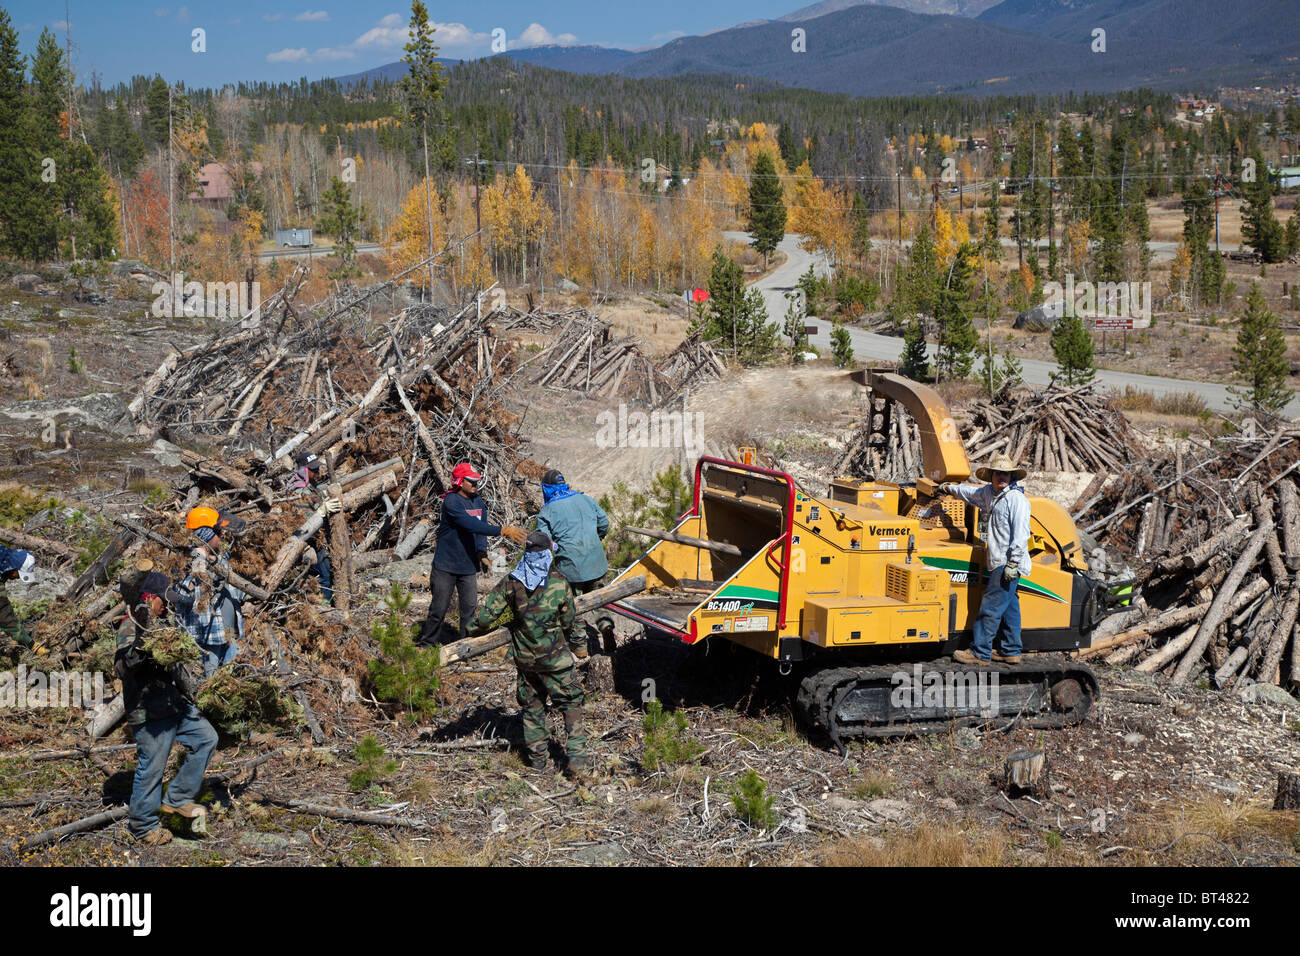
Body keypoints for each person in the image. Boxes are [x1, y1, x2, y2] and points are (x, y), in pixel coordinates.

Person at [467, 531, 590, 780]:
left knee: (533, 709)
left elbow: (485, 618)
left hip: (526, 661)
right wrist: (579, 647)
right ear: (547, 553)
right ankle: (577, 763)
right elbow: (571, 621)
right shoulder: (558, 581)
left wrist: (473, 631)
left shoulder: (512, 581)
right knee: (571, 705)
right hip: (556, 662)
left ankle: (537, 763)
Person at [115, 571, 218, 846]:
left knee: (206, 737)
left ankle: (177, 798)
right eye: (164, 600)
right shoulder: (131, 625)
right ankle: (142, 827)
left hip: (173, 704)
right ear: (150, 599)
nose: (168, 605)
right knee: (152, 768)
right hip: (147, 710)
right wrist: (140, 648)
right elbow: (120, 667)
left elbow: (178, 667)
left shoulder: (164, 625)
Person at [418, 462, 527, 645]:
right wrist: (502, 530)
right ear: (460, 482)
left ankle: (466, 645)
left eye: (477, 482)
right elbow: (470, 524)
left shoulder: (478, 501)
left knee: (469, 608)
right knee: (439, 609)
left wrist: (481, 552)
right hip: (446, 565)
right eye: (471, 482)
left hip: (467, 566)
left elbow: (479, 530)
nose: (475, 485)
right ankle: (427, 644)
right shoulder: (451, 502)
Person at [938, 453, 1032, 665]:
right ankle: (1011, 650)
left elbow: (1021, 534)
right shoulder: (990, 494)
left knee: (990, 606)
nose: (1002, 477)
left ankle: (980, 652)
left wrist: (1013, 562)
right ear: (991, 476)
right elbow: (970, 493)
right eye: (998, 473)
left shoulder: (1016, 500)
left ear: (1011, 477)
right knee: (1010, 607)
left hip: (1007, 562)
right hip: (1000, 560)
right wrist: (947, 488)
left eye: (1006, 474)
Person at [535, 469, 610, 650]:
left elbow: (543, 542)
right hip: (597, 563)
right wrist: (596, 539)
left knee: (573, 607)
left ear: (547, 489)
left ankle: (580, 646)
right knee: (601, 600)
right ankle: (606, 628)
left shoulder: (547, 512)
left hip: (571, 568)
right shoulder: (586, 499)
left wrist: (556, 550)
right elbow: (604, 523)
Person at [171, 507, 247, 679]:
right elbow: (188, 594)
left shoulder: (219, 558)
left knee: (231, 680)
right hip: (207, 637)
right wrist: (199, 557)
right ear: (205, 534)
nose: (221, 536)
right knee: (208, 683)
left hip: (228, 633)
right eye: (217, 532)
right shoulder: (189, 561)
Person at [286, 451, 341, 605]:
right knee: (324, 576)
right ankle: (326, 607)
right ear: (304, 470)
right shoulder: (298, 491)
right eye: (313, 470)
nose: (317, 473)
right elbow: (304, 522)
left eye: (318, 469)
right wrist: (322, 510)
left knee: (328, 572)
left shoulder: (311, 486)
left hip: (319, 538)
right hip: (310, 541)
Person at [0, 547, 35, 662]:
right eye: (18, 574)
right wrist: (29, 642)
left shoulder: (3, 557)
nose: (17, 578)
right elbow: (4, 614)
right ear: (13, 568)